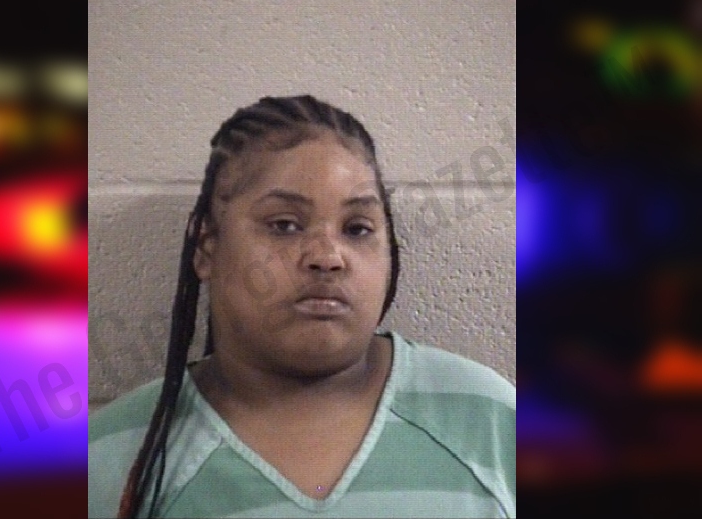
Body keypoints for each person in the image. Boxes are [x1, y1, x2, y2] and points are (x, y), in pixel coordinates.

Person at [88, 95, 516, 518]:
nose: (327, 256)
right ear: (207, 247)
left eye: (357, 229)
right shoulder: (112, 458)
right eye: (284, 225)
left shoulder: (492, 423)